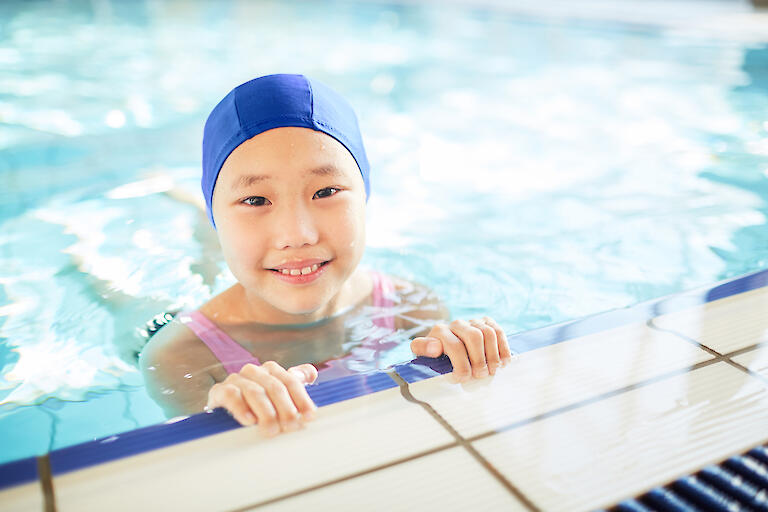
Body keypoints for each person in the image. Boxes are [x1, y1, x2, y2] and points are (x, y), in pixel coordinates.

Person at [139, 74, 513, 438]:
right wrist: (216, 416)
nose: (297, 235)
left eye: (326, 191)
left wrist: (463, 349)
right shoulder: (179, 357)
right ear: (218, 216)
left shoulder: (409, 306)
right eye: (255, 200)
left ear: (364, 197)